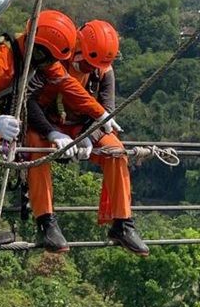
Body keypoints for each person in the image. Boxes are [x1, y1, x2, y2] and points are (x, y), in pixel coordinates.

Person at [0, 10, 118, 245]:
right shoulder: (1, 64)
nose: (49, 65)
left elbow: (66, 83)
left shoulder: (31, 58)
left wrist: (100, 113)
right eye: (47, 59)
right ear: (39, 51)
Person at [25, 19, 149, 256]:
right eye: (85, 63)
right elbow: (28, 101)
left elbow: (105, 111)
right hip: (46, 124)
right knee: (36, 147)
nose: (89, 69)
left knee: (116, 151)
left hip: (83, 128)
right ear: (78, 50)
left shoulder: (103, 70)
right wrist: (51, 132)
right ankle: (46, 221)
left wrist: (87, 137)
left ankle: (123, 223)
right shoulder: (53, 61)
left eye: (94, 66)